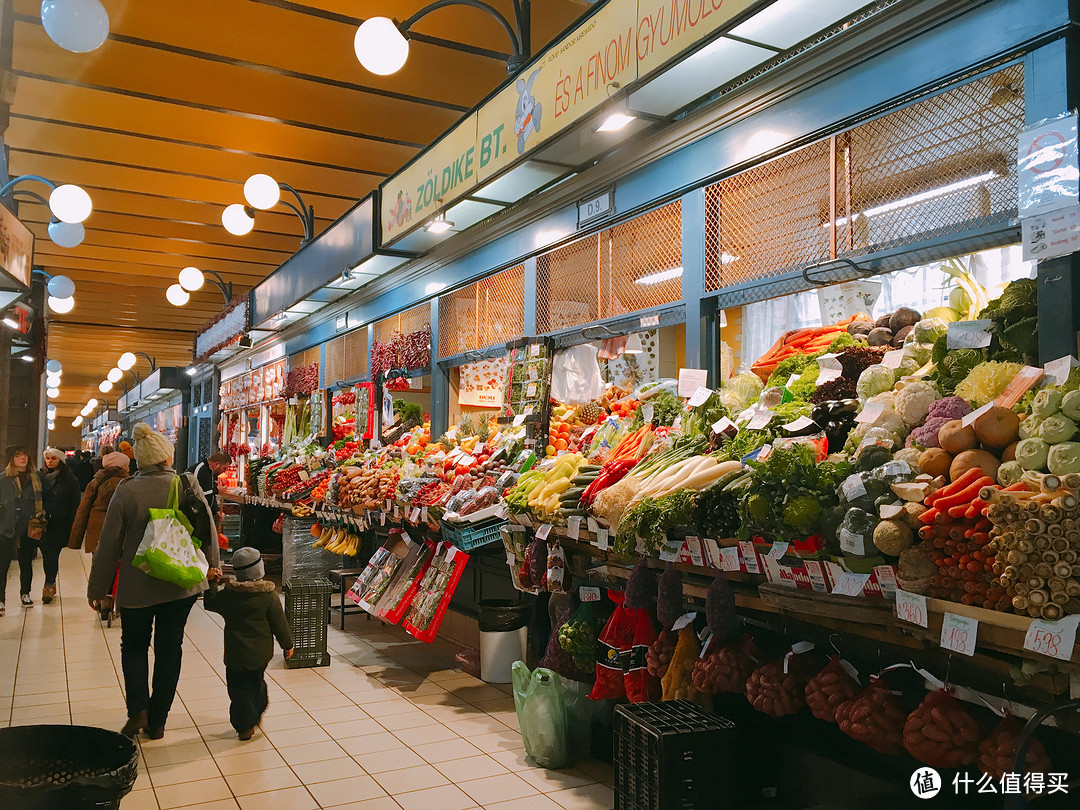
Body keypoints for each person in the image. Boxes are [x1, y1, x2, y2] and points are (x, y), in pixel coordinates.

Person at [87, 423, 220, 740]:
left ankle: (138, 710)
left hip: (137, 586)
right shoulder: (185, 483)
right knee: (169, 648)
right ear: (165, 457)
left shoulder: (127, 490)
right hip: (180, 582)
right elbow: (209, 528)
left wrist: (98, 589)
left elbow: (109, 545)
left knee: (133, 646)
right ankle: (158, 721)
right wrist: (213, 570)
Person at [204, 548, 293, 740]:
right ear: (260, 569)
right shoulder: (269, 596)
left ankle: (244, 726)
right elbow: (280, 624)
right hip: (261, 656)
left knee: (239, 691)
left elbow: (210, 602)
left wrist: (211, 582)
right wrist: (288, 645)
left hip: (236, 655)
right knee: (256, 682)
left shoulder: (230, 595)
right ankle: (257, 709)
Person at [0, 447, 45, 614]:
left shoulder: (36, 478)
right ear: (12, 459)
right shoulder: (4, 478)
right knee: (3, 563)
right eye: (18, 455)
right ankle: (1, 598)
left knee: (26, 562)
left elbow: (48, 497)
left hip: (30, 526)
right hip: (6, 526)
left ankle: (25, 593)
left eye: (25, 455)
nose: (23, 458)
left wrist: (43, 513)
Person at [38, 448, 81, 604]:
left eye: (53, 458)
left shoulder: (69, 480)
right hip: (41, 522)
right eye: (48, 458)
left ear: (60, 461)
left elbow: (74, 504)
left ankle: (48, 584)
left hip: (59, 523)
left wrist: (71, 525)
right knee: (46, 553)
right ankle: (50, 582)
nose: (50, 461)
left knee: (51, 553)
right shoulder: (40, 477)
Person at [68, 450, 131, 554]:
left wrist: (75, 541)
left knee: (100, 566)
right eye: (127, 465)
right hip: (120, 532)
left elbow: (82, 511)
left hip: (96, 533)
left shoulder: (95, 481)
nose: (128, 468)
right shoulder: (127, 483)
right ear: (122, 466)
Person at [187, 450, 230, 518]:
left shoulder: (213, 474)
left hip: (205, 515)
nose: (224, 471)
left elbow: (211, 496)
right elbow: (196, 494)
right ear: (216, 464)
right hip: (195, 515)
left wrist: (216, 510)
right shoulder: (200, 470)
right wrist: (217, 490)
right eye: (224, 468)